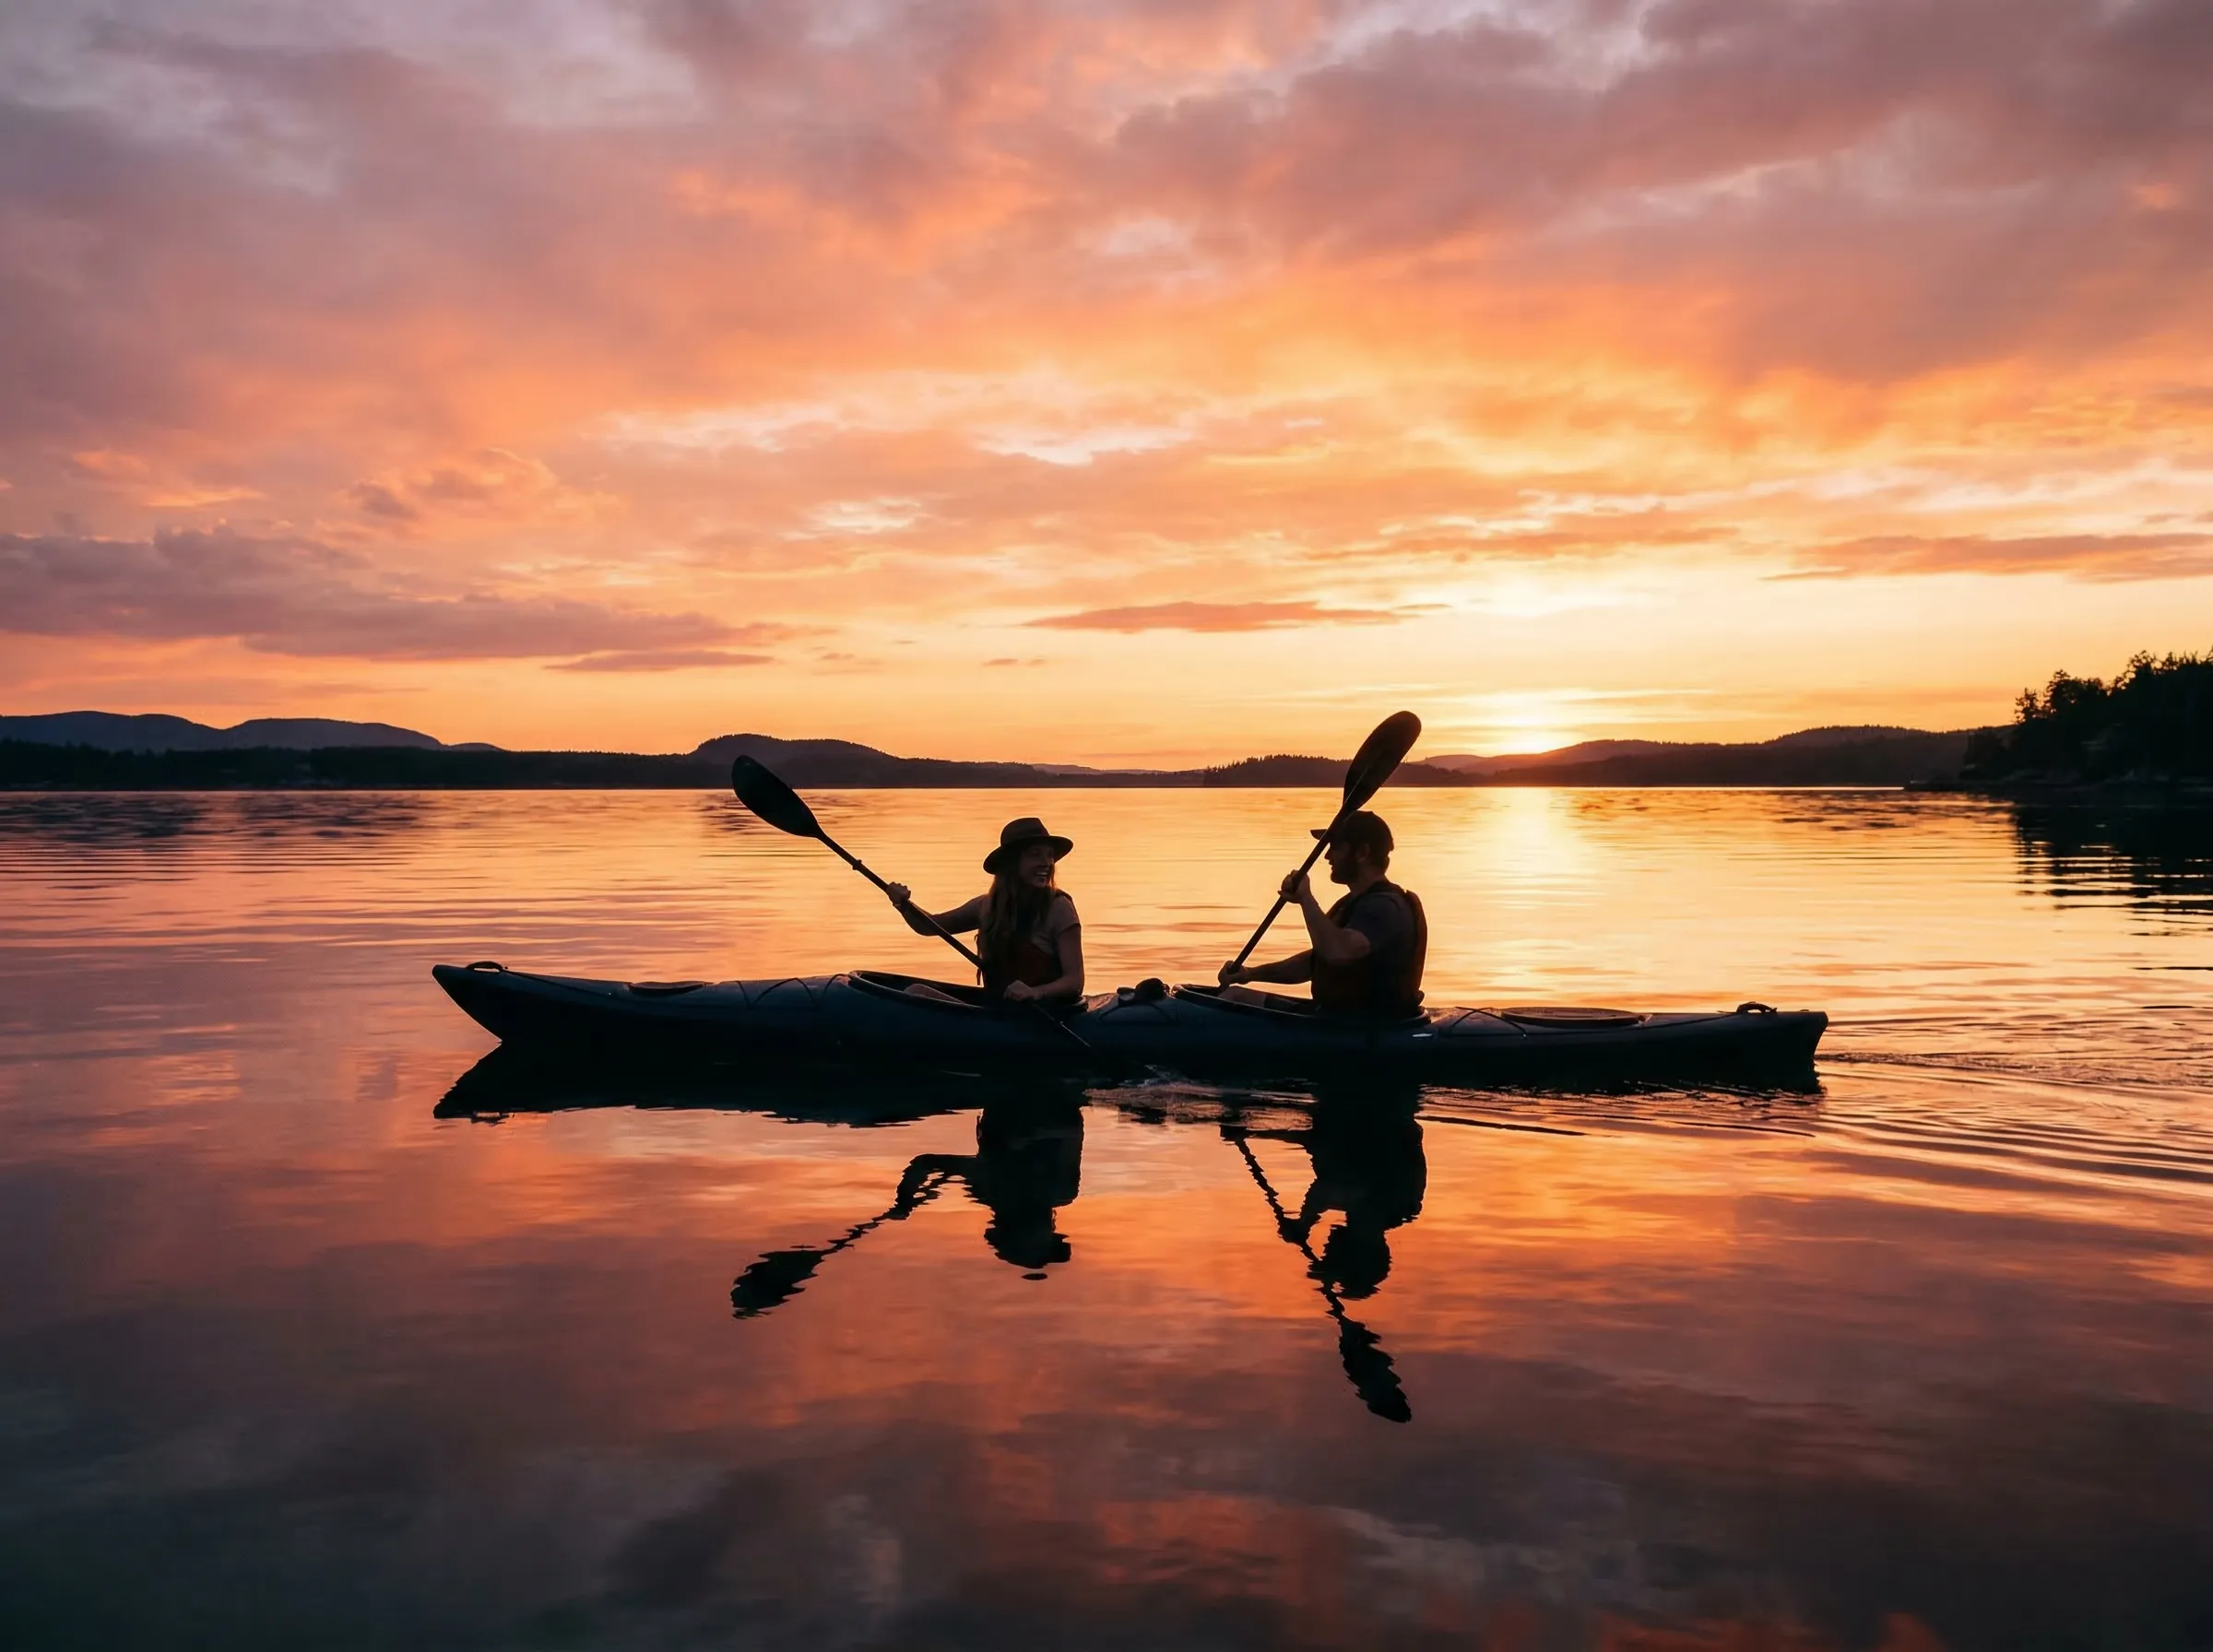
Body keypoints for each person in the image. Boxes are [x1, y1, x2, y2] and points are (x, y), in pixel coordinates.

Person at [1216, 809, 1426, 1017]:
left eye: (1336, 847)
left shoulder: (1386, 907)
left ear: (1362, 853)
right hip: (1335, 1019)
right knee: (1234, 995)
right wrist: (1250, 974)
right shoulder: (1352, 903)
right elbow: (1315, 962)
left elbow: (1338, 951)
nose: (1327, 856)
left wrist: (1305, 898)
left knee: (1232, 999)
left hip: (1365, 1027)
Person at [884, 816, 1084, 1003]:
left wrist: (1035, 993)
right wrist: (903, 905)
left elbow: (1075, 982)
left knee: (915, 994)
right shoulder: (987, 906)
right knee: (916, 992)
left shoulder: (1059, 908)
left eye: (1050, 855)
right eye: (1035, 855)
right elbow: (928, 926)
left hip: (1046, 1015)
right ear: (1011, 862)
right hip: (998, 1011)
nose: (1047, 863)